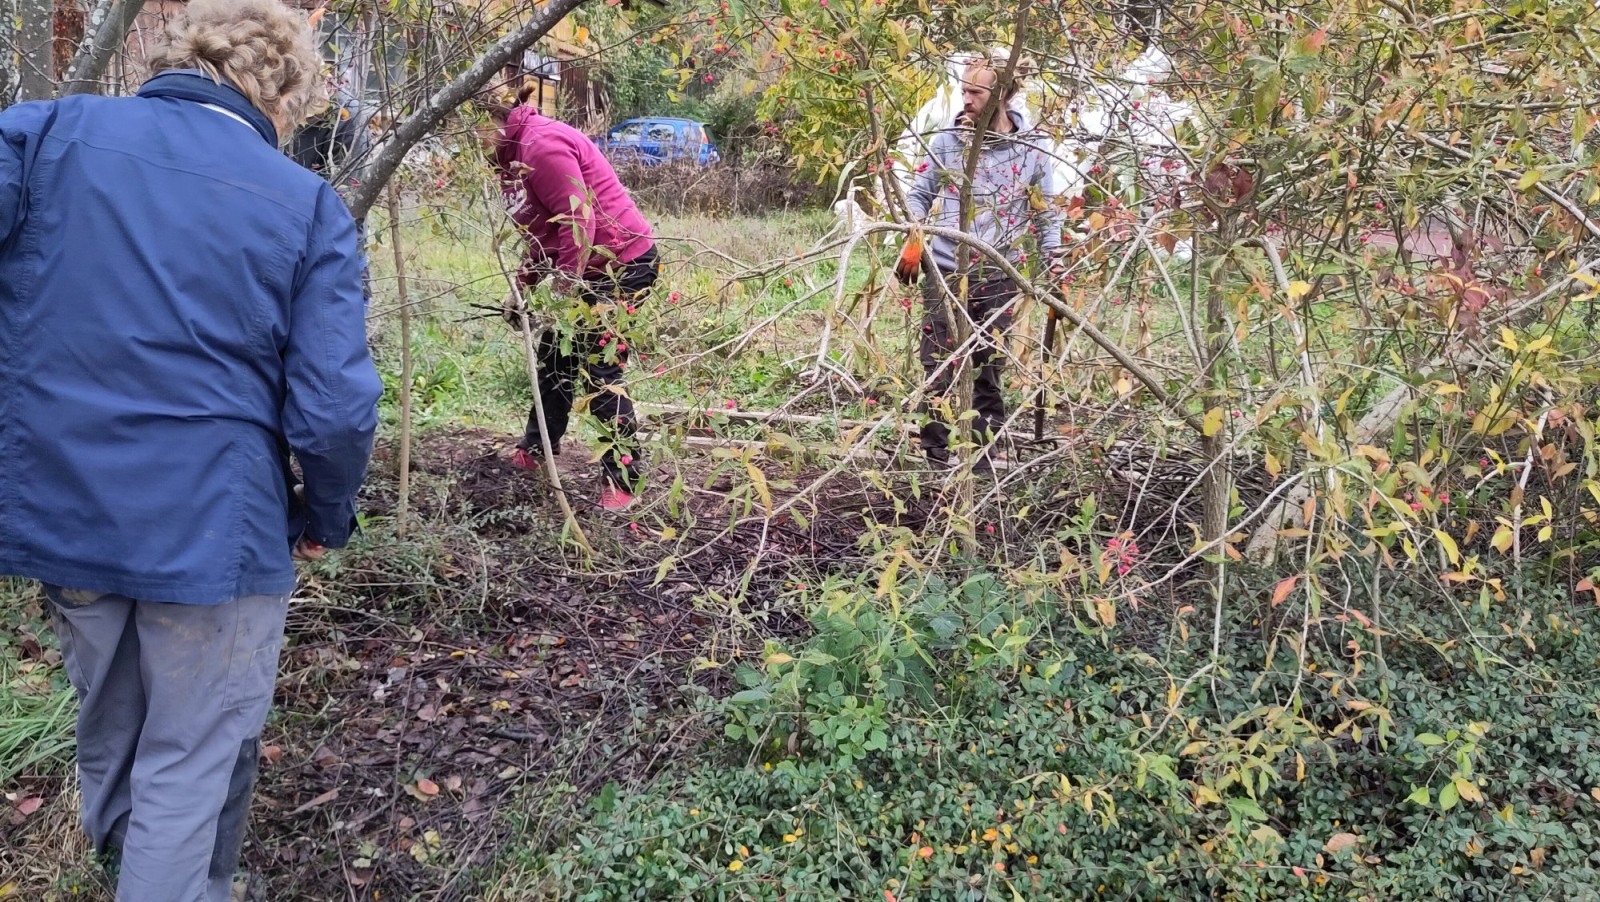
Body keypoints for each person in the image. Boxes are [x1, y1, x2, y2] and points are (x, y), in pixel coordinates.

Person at [0, 1, 382, 899]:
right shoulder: (303, 204)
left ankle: (134, 871)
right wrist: (327, 514)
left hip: (68, 516)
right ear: (283, 89)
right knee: (189, 757)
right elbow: (332, 411)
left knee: (112, 724)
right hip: (217, 536)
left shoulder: (48, 134)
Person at [481, 83, 658, 511]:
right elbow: (545, 235)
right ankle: (537, 448)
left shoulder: (541, 147)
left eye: (467, 131)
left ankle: (625, 479)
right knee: (555, 359)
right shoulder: (507, 159)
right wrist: (520, 286)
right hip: (583, 269)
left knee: (601, 372)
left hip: (621, 266)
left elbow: (580, 228)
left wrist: (560, 299)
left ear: (489, 119)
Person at [905, 50, 1065, 470]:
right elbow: (920, 194)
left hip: (998, 273)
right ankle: (935, 456)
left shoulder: (1032, 148)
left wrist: (1054, 264)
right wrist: (915, 236)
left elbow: (1045, 210)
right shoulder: (948, 140)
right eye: (963, 89)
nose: (966, 99)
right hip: (943, 270)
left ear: (1003, 96)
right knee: (937, 362)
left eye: (976, 91)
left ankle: (982, 457)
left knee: (987, 367)